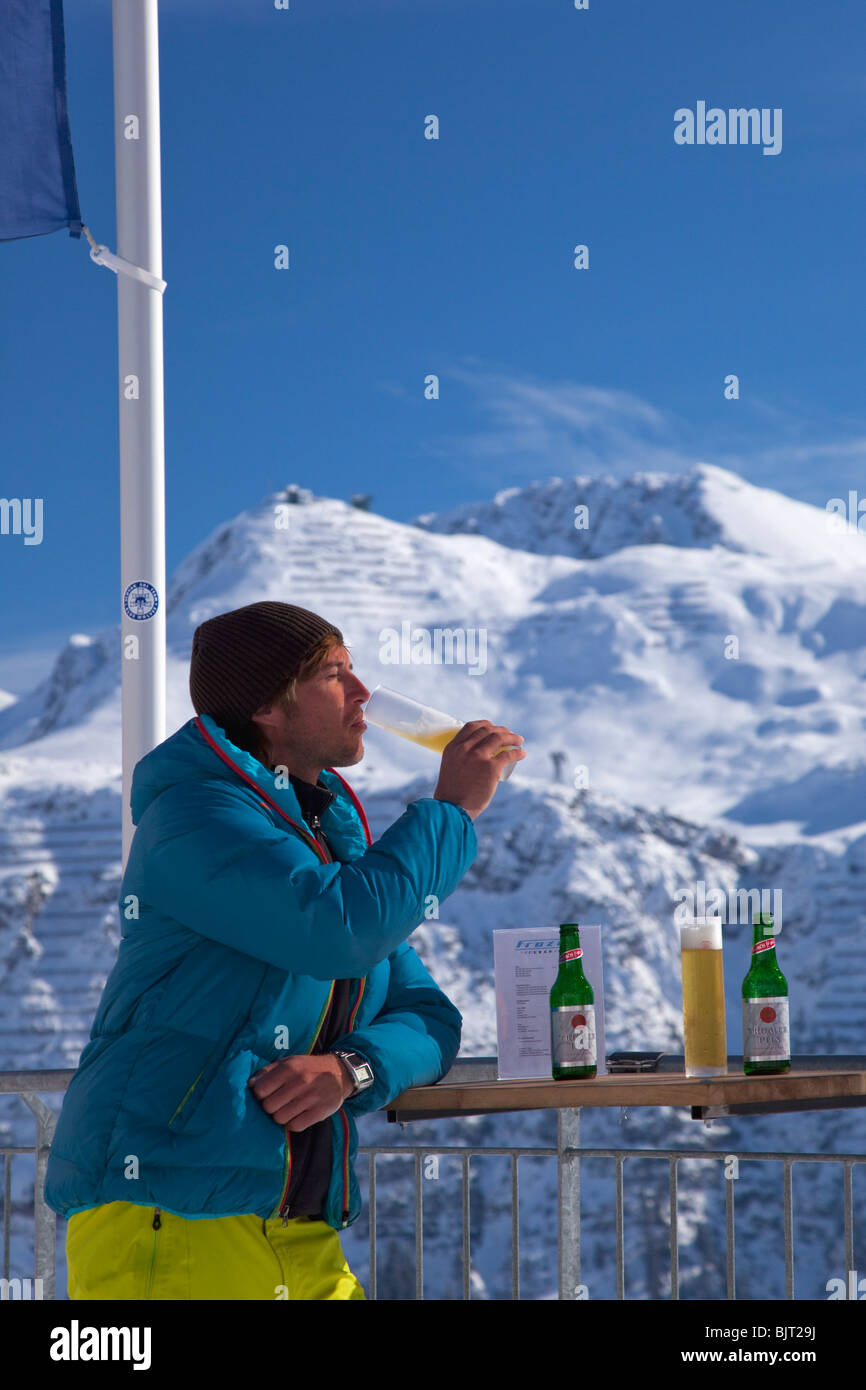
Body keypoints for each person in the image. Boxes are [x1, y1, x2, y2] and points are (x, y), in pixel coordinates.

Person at [44, 600, 525, 1299]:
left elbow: (428, 1015)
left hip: (292, 1218)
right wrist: (450, 811)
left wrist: (353, 1069)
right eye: (336, 674)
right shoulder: (196, 816)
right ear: (269, 705)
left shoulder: (325, 844)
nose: (363, 692)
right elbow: (340, 931)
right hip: (169, 1211)